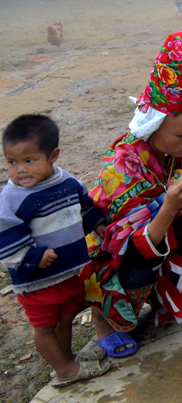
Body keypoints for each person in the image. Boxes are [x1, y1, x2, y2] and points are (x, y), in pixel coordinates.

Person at [83, 26, 182, 358]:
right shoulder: (121, 169)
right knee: (137, 273)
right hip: (118, 257)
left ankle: (177, 289)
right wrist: (166, 209)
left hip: (160, 239)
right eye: (181, 134)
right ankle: (104, 321)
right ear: (152, 128)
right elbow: (117, 243)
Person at [0, 114, 110, 388]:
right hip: (36, 280)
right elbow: (5, 236)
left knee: (65, 317)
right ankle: (65, 371)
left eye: (29, 160)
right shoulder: (12, 198)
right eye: (12, 162)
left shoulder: (67, 182)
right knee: (45, 327)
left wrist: (95, 223)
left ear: (53, 156)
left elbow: (82, 206)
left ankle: (68, 358)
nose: (20, 170)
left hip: (67, 270)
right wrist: (31, 256)